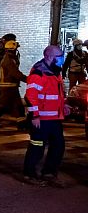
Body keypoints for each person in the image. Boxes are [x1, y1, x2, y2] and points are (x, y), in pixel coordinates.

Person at [23, 45, 69, 187]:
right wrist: (35, 116)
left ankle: (49, 173)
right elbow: (30, 96)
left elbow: (56, 94)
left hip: (54, 118)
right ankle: (29, 174)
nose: (62, 59)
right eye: (59, 56)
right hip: (41, 119)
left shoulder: (55, 72)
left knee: (58, 146)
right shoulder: (39, 73)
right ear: (49, 57)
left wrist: (63, 106)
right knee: (37, 147)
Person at [0, 39, 27, 123]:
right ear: (13, 50)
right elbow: (15, 73)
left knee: (17, 104)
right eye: (16, 49)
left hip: (10, 85)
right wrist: (28, 79)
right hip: (8, 86)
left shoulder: (8, 58)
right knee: (3, 104)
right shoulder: (9, 60)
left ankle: (21, 120)